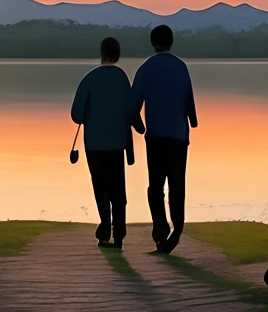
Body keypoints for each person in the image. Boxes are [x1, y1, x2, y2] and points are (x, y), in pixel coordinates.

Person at [72, 36, 142, 247]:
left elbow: (76, 115)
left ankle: (105, 230)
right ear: (118, 55)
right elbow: (130, 109)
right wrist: (141, 128)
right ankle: (119, 233)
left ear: (102, 53)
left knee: (100, 186)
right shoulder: (121, 78)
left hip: (93, 145)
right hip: (116, 144)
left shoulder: (89, 79)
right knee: (117, 188)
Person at [132, 23, 196, 253]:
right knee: (177, 185)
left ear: (153, 43)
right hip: (179, 136)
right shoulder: (181, 67)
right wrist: (193, 120)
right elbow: (189, 100)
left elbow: (133, 105)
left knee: (156, 187)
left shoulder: (146, 68)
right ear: (171, 42)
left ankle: (160, 231)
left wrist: (139, 127)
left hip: (156, 136)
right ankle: (177, 229)